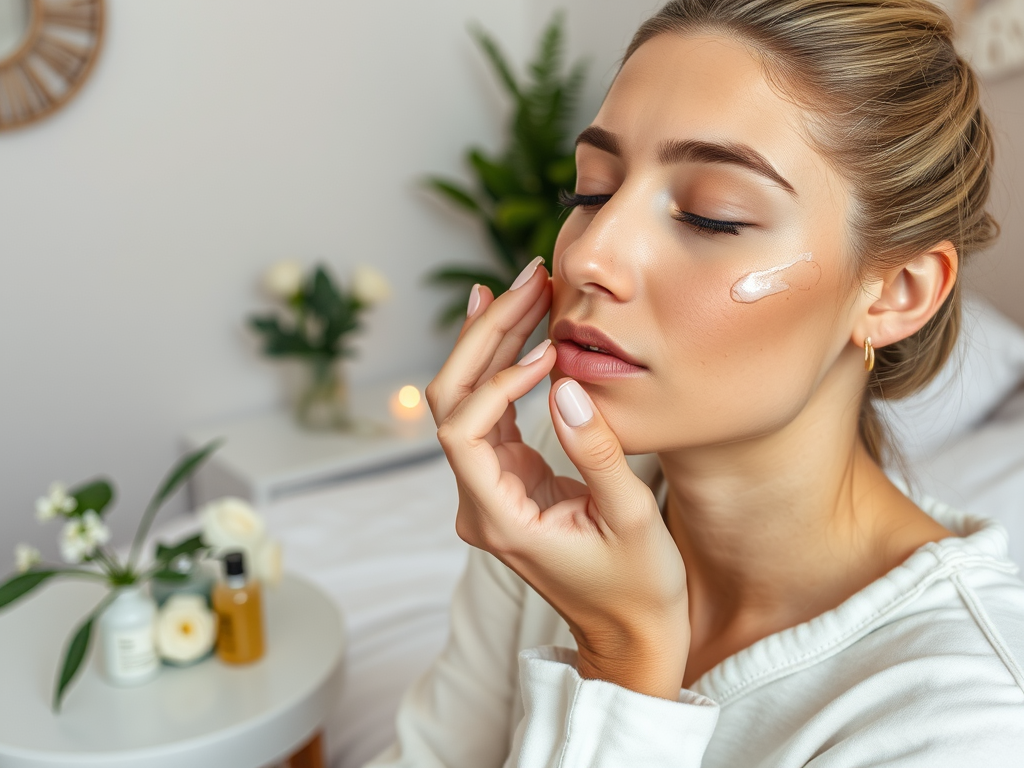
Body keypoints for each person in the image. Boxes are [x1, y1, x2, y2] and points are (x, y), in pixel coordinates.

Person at [369, 1, 1024, 765]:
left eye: (711, 216)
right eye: (591, 192)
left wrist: (623, 657)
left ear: (896, 294)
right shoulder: (548, 487)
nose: (587, 257)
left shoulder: (969, 717)